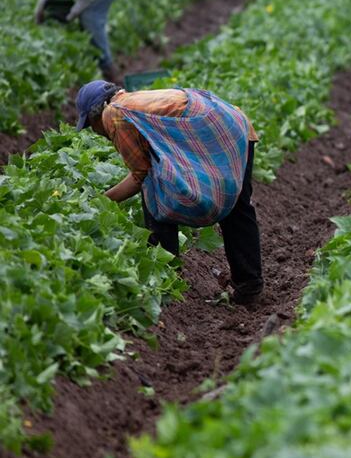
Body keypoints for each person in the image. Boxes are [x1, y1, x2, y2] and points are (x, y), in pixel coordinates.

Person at [74, 80, 264, 304]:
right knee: (238, 207)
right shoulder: (133, 101)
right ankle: (249, 288)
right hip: (235, 123)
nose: (96, 132)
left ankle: (166, 274)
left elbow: (139, 176)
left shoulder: (113, 115)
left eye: (90, 125)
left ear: (97, 112)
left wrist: (102, 201)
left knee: (155, 193)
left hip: (215, 131)